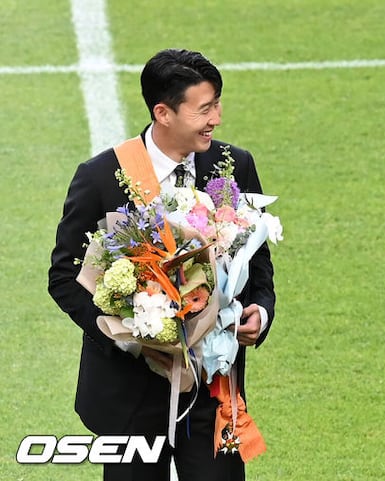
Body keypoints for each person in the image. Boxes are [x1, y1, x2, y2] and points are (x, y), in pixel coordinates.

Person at [48, 48, 275, 481]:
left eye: (217, 104)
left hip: (213, 388)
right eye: (204, 109)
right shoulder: (101, 176)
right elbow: (64, 276)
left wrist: (260, 312)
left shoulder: (233, 166)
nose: (216, 118)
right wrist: (128, 335)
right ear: (163, 113)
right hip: (131, 393)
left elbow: (257, 263)